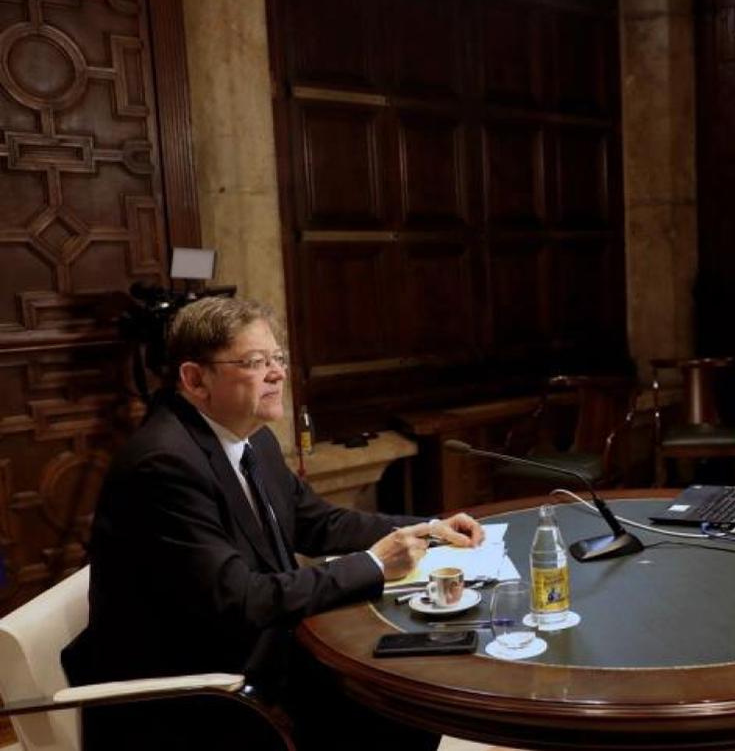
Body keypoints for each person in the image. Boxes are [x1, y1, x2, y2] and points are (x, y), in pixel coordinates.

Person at [65, 297, 486, 751]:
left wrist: (429, 529)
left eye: (278, 358)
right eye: (255, 362)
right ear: (195, 379)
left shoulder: (253, 439)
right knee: (394, 709)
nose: (278, 374)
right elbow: (241, 600)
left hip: (262, 655)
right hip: (197, 696)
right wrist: (374, 564)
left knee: (406, 692)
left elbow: (318, 522)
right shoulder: (163, 464)